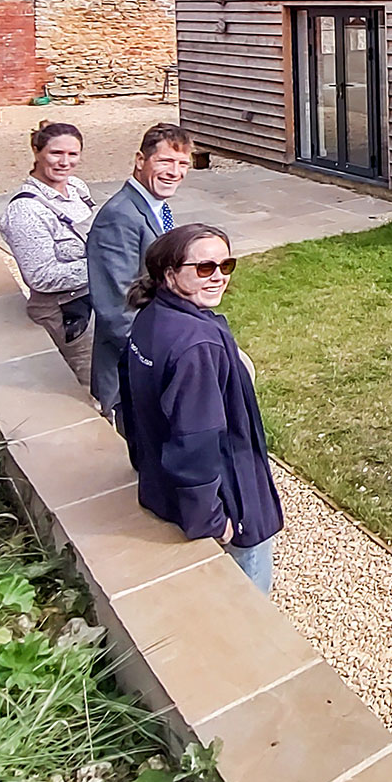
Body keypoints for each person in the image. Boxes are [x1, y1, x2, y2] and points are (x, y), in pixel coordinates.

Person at [120, 223, 283, 593]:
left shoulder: (151, 316)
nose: (218, 277)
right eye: (205, 268)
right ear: (169, 274)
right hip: (232, 498)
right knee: (248, 603)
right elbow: (195, 441)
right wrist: (212, 521)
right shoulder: (196, 346)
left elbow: (130, 403)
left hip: (160, 487)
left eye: (226, 266)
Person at [86, 122, 193, 417]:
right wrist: (165, 357)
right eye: (165, 161)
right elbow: (116, 309)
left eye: (183, 164)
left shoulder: (157, 207)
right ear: (140, 160)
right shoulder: (119, 217)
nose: (175, 172)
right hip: (133, 372)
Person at [0, 121, 95, 386]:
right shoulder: (25, 211)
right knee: (89, 384)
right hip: (66, 314)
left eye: (73, 154)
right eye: (56, 153)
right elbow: (41, 277)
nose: (65, 162)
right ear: (37, 152)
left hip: (96, 298)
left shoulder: (77, 188)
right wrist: (103, 266)